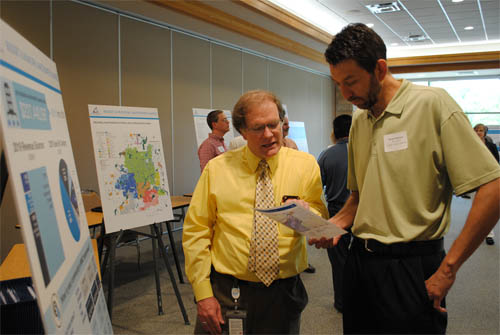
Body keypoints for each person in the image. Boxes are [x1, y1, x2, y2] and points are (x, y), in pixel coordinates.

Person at [310, 23, 500, 334]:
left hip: (411, 265)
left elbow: (493, 187)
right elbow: (358, 199)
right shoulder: (360, 118)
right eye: (338, 84)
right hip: (360, 263)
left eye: (351, 82)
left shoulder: (433, 104)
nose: (346, 94)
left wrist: (449, 269)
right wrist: (333, 226)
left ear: (380, 68)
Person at [183, 90, 327, 335]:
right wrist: (203, 294)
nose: (269, 134)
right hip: (229, 292)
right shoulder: (217, 170)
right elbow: (196, 232)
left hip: (284, 293)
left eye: (274, 124)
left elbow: (318, 219)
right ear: (242, 131)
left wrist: (310, 216)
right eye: (258, 128)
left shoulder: (305, 165)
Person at [317, 114, 352, 313]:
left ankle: (341, 302)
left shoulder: (326, 155)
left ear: (334, 132)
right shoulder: (364, 151)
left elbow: (316, 186)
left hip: (336, 213)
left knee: (339, 262)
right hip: (363, 214)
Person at [473, 123, 499, 245]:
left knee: (488, 207)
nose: (479, 132)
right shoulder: (469, 145)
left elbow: (496, 162)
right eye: (476, 130)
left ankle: (489, 233)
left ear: (485, 132)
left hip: (489, 178)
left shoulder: (491, 145)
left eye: (481, 130)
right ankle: (475, 231)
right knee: (476, 207)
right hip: (474, 179)